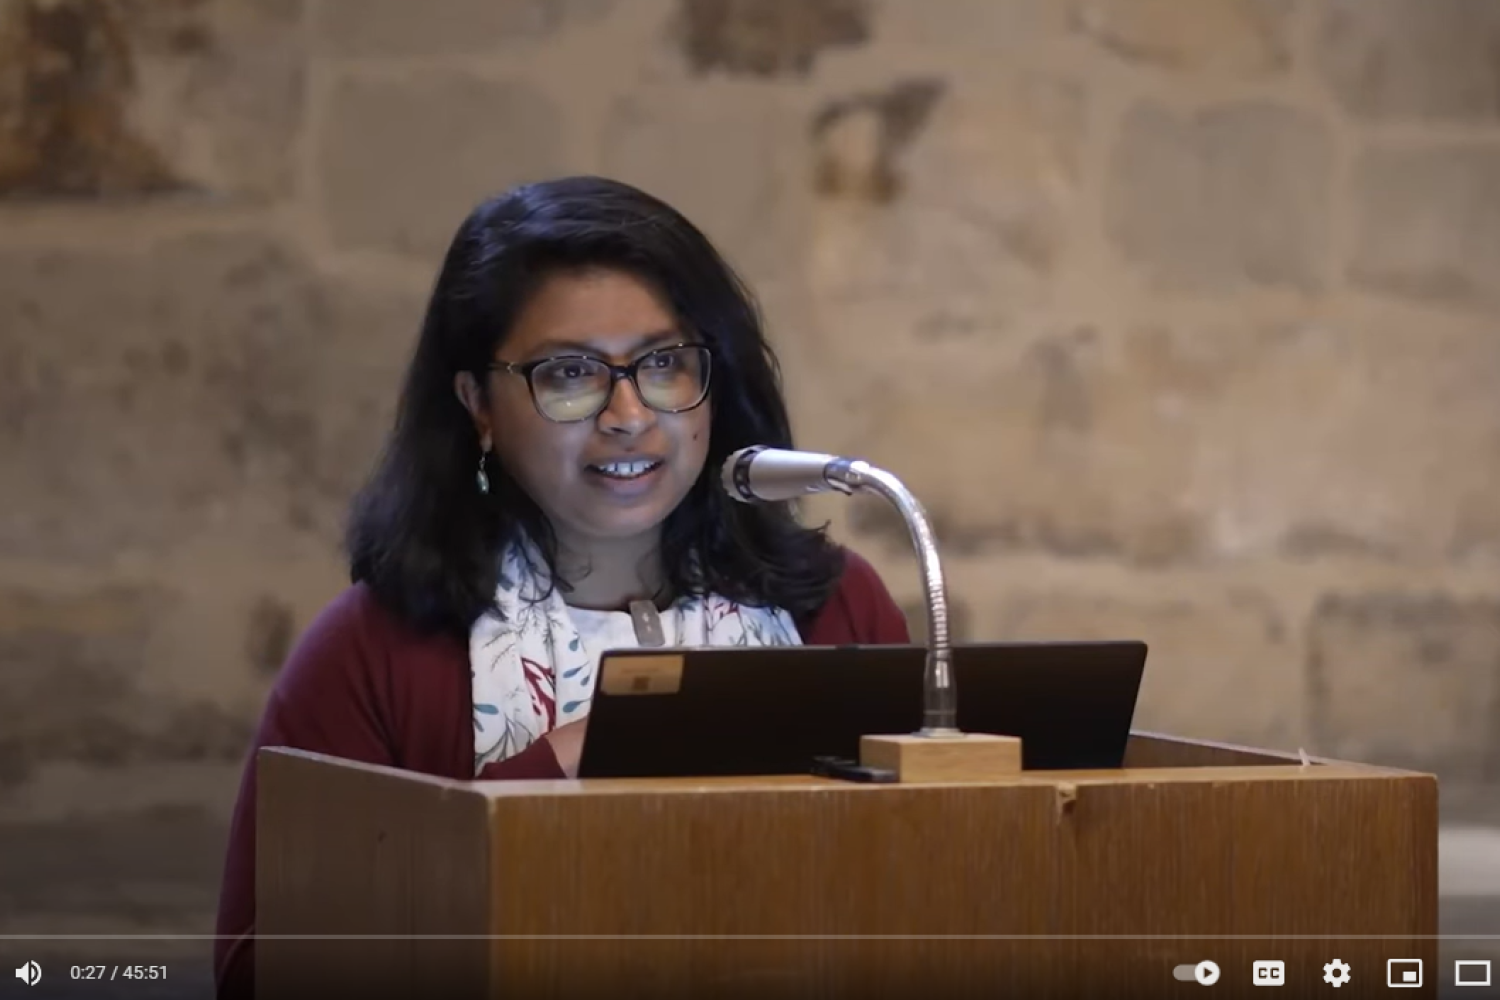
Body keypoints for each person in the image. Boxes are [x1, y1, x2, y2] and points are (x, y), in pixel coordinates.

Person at [212, 175, 910, 999]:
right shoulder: (372, 650)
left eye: (664, 364)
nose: (627, 415)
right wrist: (569, 762)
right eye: (570, 373)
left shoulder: (838, 608)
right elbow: (261, 967)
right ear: (478, 403)